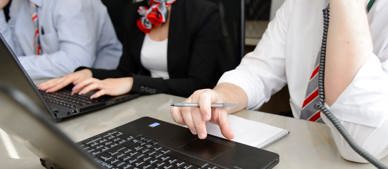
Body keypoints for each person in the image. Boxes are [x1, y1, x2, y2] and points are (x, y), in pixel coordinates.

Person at [171, 0, 388, 163]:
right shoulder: (299, 5)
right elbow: (256, 72)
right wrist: (219, 96)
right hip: (299, 151)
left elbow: (359, 144)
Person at [38, 0, 236, 98]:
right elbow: (125, 72)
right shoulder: (138, 11)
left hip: (193, 107)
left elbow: (199, 84)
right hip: (150, 104)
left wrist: (134, 83)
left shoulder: (204, 13)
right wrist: (90, 73)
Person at [0, 0, 122, 79]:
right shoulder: (19, 3)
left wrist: (14, 67)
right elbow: (12, 55)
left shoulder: (70, 3)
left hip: (99, 86)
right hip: (49, 81)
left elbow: (75, 62)